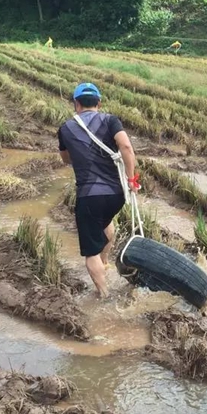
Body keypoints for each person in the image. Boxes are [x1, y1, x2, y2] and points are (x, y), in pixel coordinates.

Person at [58, 83, 138, 298]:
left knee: (90, 252)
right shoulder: (111, 120)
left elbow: (66, 159)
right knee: (105, 224)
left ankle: (104, 296)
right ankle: (105, 263)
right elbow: (126, 147)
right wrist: (131, 179)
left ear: (76, 104)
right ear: (99, 103)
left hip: (89, 196)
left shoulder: (66, 128)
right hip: (116, 195)